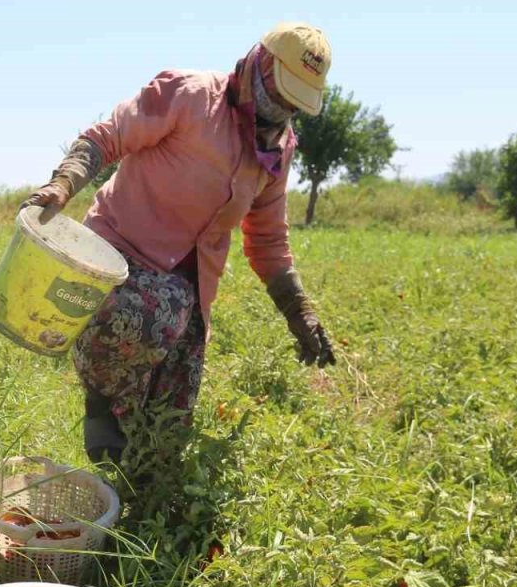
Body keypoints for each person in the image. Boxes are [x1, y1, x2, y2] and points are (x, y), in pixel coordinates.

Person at [21, 22, 337, 464]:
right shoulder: (188, 95)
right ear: (260, 64)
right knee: (157, 310)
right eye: (280, 92)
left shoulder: (276, 151)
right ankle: (102, 400)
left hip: (188, 291)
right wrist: (62, 184)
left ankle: (140, 499)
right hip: (121, 260)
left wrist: (298, 312)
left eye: (295, 103)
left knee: (165, 433)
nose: (282, 109)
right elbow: (107, 134)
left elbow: (267, 239)